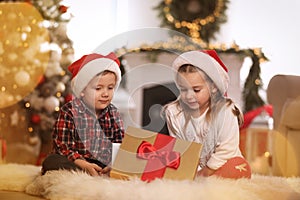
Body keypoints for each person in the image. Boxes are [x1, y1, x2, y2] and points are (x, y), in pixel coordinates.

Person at [163, 50, 251, 179]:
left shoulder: (226, 110)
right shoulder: (174, 112)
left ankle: (209, 185)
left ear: (213, 87)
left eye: (196, 90)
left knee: (239, 167)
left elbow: (226, 150)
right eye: (183, 89)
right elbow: (180, 148)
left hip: (223, 164)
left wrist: (204, 173)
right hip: (194, 169)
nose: (189, 96)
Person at [42, 52, 124, 177]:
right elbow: (63, 146)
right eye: (98, 88)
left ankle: (100, 172)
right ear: (82, 91)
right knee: (51, 161)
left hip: (102, 162)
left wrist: (113, 163)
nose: (105, 94)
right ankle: (83, 171)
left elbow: (119, 142)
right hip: (76, 160)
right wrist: (82, 163)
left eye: (110, 87)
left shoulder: (113, 113)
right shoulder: (69, 111)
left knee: (128, 160)